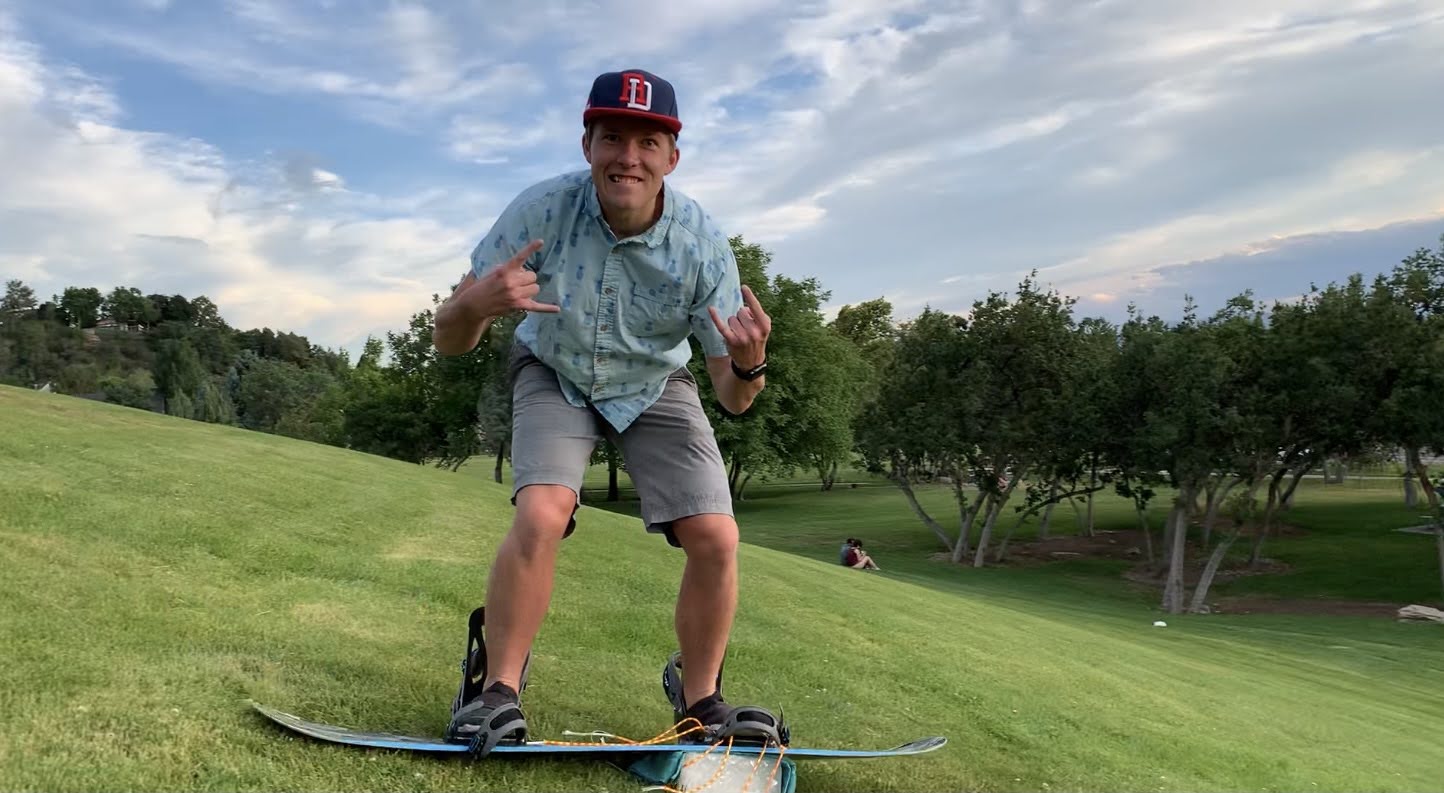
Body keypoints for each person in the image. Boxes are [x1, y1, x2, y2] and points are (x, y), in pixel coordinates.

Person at [431, 68, 786, 755]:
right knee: (542, 509)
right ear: (588, 143)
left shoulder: (702, 245)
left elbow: (736, 397)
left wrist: (749, 361)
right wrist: (474, 306)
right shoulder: (539, 211)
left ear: (671, 158)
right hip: (555, 367)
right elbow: (450, 339)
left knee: (717, 534)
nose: (629, 155)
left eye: (648, 142)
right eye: (613, 137)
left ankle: (701, 698)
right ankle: (496, 692)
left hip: (655, 380)